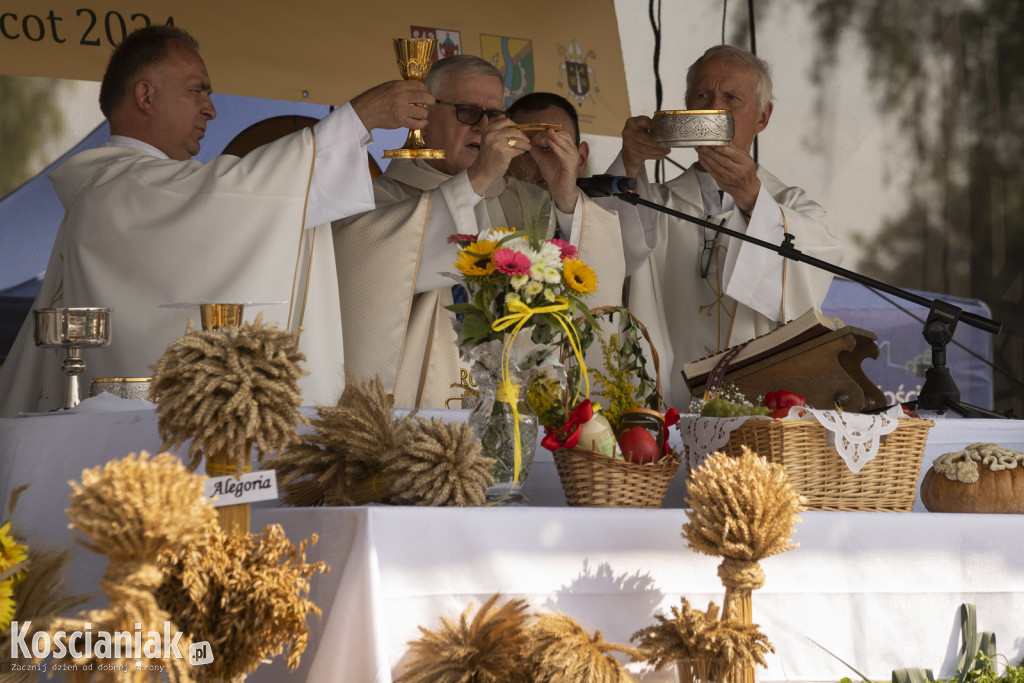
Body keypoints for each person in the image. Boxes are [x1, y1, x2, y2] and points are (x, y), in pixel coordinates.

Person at [0, 25, 426, 417]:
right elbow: (237, 195)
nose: (211, 110)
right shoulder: (121, 185)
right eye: (197, 91)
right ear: (146, 97)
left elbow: (229, 197)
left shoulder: (122, 184)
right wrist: (359, 118)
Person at [333, 56, 628, 410]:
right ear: (423, 117)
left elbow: (589, 278)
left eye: (496, 115)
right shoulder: (380, 199)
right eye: (468, 111)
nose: (484, 127)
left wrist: (565, 195)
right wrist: (477, 179)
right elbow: (368, 268)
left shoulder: (525, 204)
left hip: (516, 412)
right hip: (420, 414)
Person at [606, 44, 844, 409]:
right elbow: (601, 254)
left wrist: (751, 199)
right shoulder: (654, 202)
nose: (714, 108)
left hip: (761, 411)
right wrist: (629, 164)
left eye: (731, 97)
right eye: (702, 95)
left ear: (762, 117)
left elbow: (811, 276)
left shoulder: (790, 206)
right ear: (686, 108)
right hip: (671, 407)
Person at [505, 91, 590, 190]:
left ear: (582, 159)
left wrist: (567, 198)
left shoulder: (596, 206)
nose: (543, 163)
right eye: (527, 150)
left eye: (558, 146)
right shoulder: (484, 202)